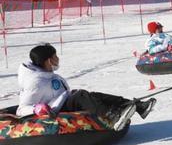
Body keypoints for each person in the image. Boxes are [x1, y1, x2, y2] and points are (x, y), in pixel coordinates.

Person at [17, 43, 155, 131]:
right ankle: (112, 117)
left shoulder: (48, 74)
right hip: (53, 111)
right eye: (55, 56)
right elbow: (21, 109)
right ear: (48, 60)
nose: (57, 59)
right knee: (80, 95)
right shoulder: (35, 81)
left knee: (94, 96)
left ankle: (137, 106)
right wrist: (36, 108)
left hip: (62, 103)